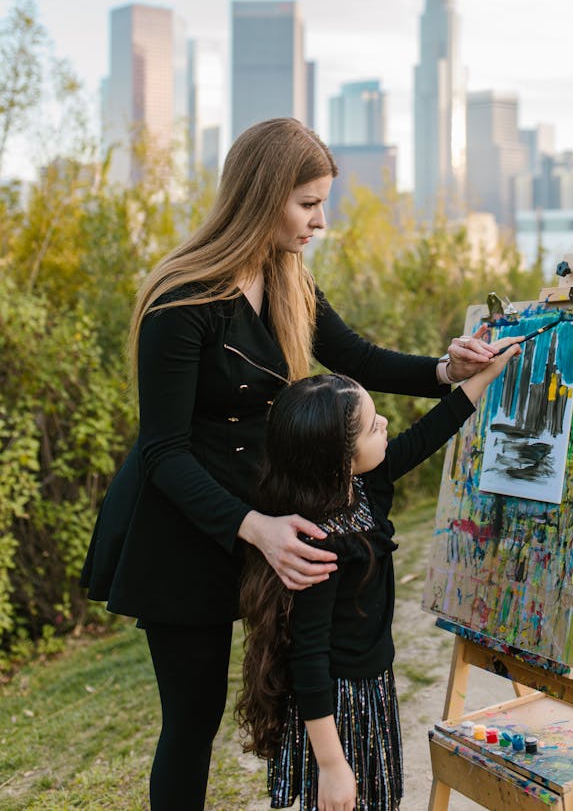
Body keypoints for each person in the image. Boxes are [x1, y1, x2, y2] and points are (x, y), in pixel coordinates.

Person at [80, 117, 501, 811]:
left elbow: (358, 359)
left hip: (265, 517)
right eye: (308, 203)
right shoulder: (181, 301)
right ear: (262, 193)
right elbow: (163, 451)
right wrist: (256, 528)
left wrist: (443, 369)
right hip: (182, 530)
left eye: (323, 202)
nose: (321, 221)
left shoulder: (289, 276)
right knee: (193, 720)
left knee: (298, 680)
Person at [236, 345, 522, 811]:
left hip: (372, 684)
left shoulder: (368, 485)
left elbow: (431, 430)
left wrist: (484, 378)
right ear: (338, 459)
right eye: (373, 425)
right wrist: (330, 763)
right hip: (336, 706)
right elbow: (308, 661)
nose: (386, 423)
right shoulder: (318, 540)